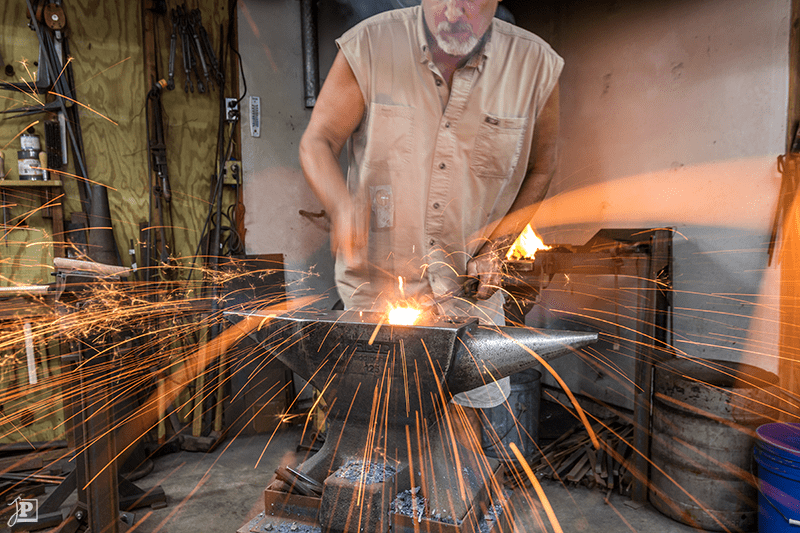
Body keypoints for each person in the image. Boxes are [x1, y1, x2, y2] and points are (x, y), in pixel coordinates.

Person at [299, 0, 563, 431]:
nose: (456, 10)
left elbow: (542, 167)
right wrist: (343, 207)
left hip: (468, 301)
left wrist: (496, 248)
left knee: (462, 450)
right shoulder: (370, 46)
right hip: (376, 293)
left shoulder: (535, 67)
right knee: (372, 435)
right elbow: (317, 141)